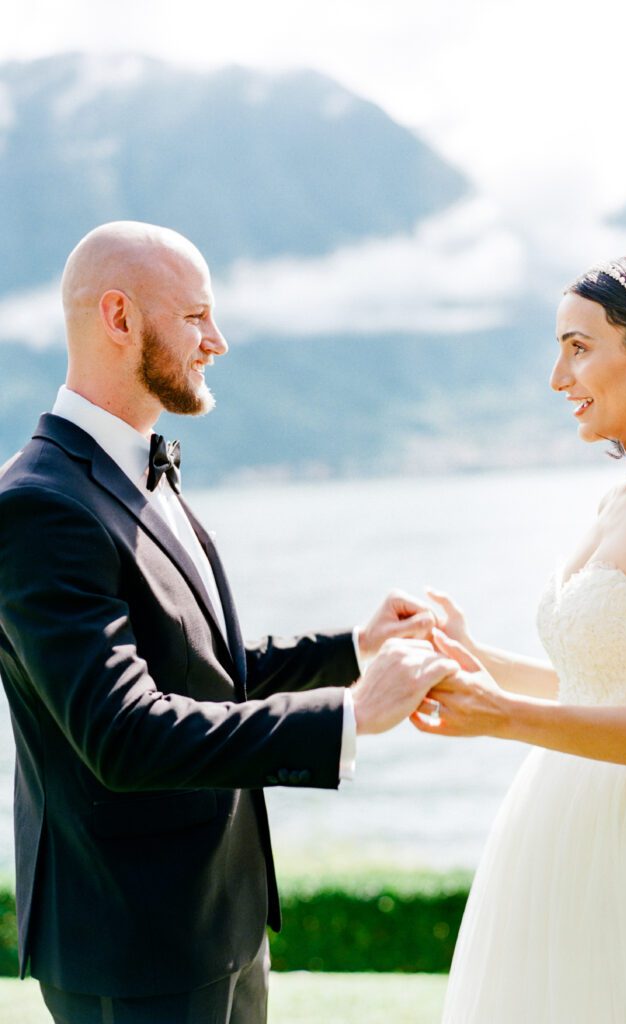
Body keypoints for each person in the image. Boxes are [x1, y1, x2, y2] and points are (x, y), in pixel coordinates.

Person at [0, 221, 459, 1024]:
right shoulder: (40, 506)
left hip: (221, 919)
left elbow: (194, 664)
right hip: (134, 947)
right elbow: (123, 733)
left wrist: (353, 649)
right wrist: (350, 716)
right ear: (119, 317)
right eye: (197, 316)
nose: (218, 340)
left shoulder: (135, 468)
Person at [414, 255, 626, 1022]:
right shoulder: (621, 497)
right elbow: (602, 683)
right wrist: (473, 658)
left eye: (576, 347)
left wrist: (500, 718)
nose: (557, 378)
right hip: (559, 825)